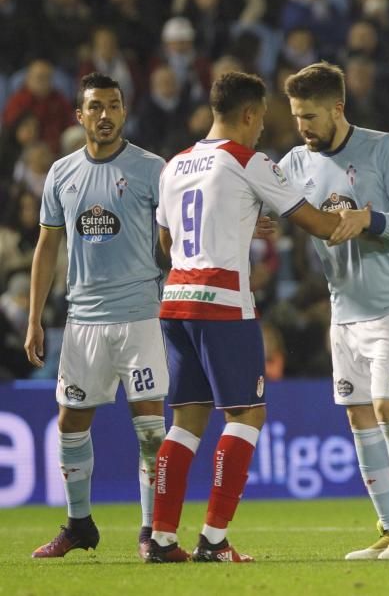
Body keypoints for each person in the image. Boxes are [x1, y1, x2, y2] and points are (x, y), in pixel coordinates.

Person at [145, 71, 349, 563]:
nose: (262, 131)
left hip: (176, 303)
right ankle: (214, 540)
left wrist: (234, 224)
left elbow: (165, 248)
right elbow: (318, 225)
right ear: (249, 114)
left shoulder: (175, 165)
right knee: (247, 415)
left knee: (184, 422)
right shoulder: (248, 161)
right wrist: (358, 216)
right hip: (222, 304)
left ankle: (161, 539)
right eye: (261, 121)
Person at [278, 62, 389, 560]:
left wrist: (370, 218)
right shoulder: (295, 163)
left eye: (310, 116)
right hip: (343, 309)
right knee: (360, 417)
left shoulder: (383, 147)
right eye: (297, 116)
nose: (302, 127)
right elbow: (269, 205)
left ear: (338, 109)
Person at [26, 73, 167, 559]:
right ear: (79, 116)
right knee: (70, 423)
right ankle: (79, 523)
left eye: (113, 106)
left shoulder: (152, 169)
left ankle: (152, 532)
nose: (105, 115)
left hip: (140, 316)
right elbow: (46, 247)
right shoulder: (62, 174)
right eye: (95, 107)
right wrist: (34, 318)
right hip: (83, 319)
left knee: (151, 427)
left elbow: (179, 232)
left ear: (124, 112)